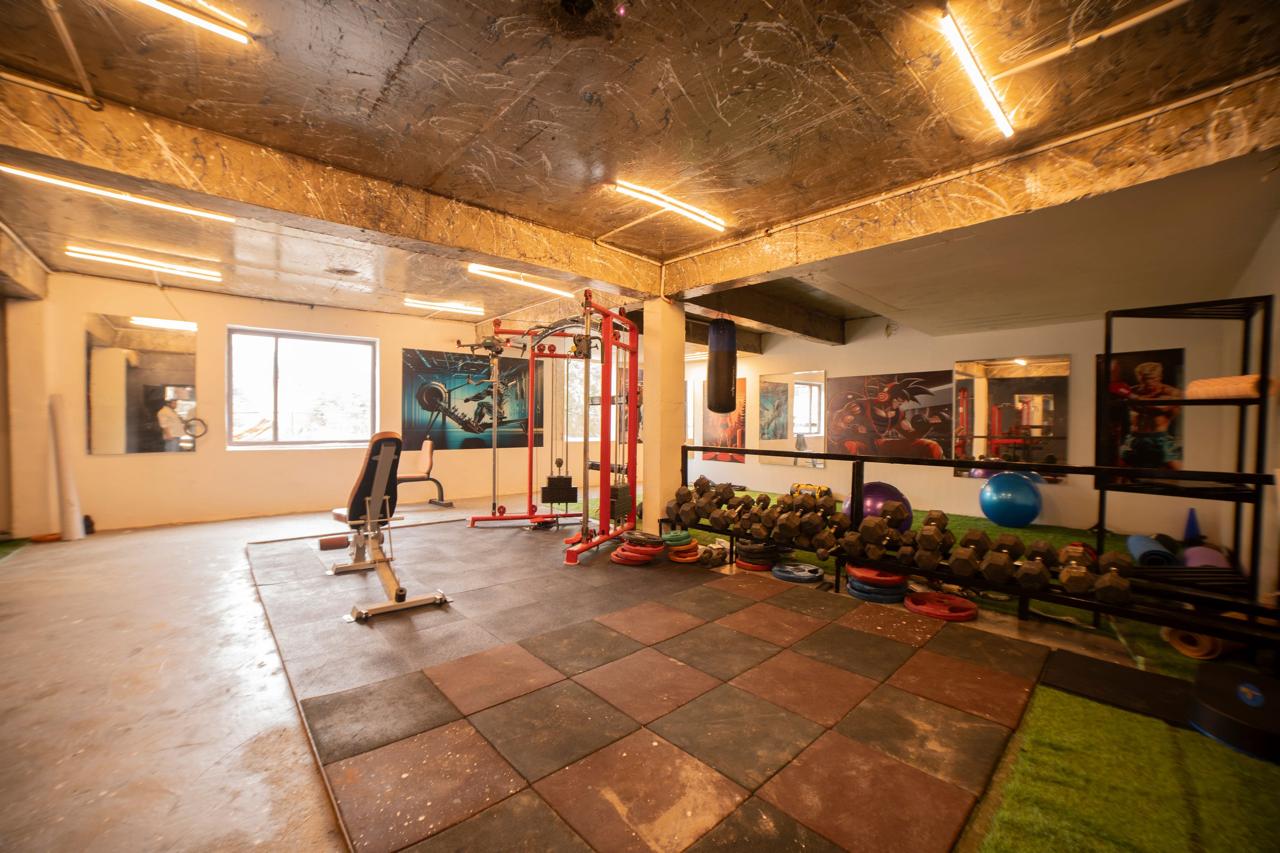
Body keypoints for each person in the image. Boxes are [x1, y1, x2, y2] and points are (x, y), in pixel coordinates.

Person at [1120, 361, 1182, 470]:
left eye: (1153, 379)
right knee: (1118, 470)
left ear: (1160, 377)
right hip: (1134, 438)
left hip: (1159, 439)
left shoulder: (1171, 392)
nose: (1149, 382)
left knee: (1178, 471)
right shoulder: (1134, 390)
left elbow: (1161, 407)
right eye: (1144, 380)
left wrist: (1133, 397)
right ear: (1139, 379)